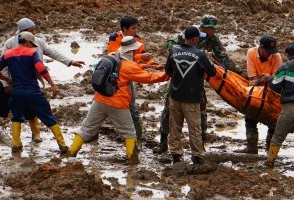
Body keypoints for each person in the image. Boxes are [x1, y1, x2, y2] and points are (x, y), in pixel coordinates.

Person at [68, 36, 169, 164]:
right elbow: (149, 78)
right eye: (134, 51)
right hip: (117, 104)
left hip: (99, 100)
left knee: (86, 128)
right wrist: (167, 75)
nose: (136, 53)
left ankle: (71, 154)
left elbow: (131, 65)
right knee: (129, 133)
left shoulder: (112, 56)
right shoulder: (129, 67)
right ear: (130, 51)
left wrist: (153, 66)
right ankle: (133, 162)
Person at [153, 15, 242, 154]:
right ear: (205, 27)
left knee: (201, 114)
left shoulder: (213, 40)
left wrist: (240, 73)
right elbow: (169, 44)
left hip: (196, 82)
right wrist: (187, 51)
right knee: (168, 111)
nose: (214, 32)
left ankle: (200, 146)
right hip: (180, 78)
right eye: (212, 29)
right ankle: (163, 143)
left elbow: (223, 58)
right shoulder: (189, 34)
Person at [0, 18, 84, 142]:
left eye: (34, 30)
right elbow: (3, 66)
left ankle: (35, 134)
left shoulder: (38, 42)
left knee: (31, 109)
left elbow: (53, 52)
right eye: (31, 30)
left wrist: (70, 62)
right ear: (22, 32)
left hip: (29, 81)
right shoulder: (10, 43)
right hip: (12, 81)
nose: (34, 32)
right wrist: (6, 83)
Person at [0, 32, 68, 153]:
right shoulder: (32, 53)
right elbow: (41, 68)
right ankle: (62, 145)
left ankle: (16, 145)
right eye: (32, 44)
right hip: (33, 91)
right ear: (28, 42)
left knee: (16, 117)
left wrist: (6, 79)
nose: (33, 47)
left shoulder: (7, 54)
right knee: (48, 117)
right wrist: (52, 84)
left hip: (16, 92)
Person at [165, 26, 216, 164]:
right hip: (191, 98)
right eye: (198, 37)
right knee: (194, 128)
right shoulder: (200, 54)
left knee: (175, 127)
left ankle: (176, 155)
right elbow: (212, 72)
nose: (199, 39)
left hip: (175, 96)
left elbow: (168, 70)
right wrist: (208, 58)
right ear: (194, 39)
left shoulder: (174, 50)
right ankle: (197, 156)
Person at [108, 15, 154, 149]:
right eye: (133, 28)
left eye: (136, 28)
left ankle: (137, 142)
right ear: (124, 29)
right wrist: (140, 57)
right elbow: (116, 56)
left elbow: (144, 57)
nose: (136, 30)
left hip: (128, 74)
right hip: (115, 76)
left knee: (132, 106)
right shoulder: (114, 38)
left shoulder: (137, 39)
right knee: (105, 104)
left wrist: (152, 64)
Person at [236, 35, 283, 154]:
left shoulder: (276, 57)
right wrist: (266, 79)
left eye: (271, 51)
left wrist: (266, 79)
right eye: (267, 51)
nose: (269, 54)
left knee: (273, 121)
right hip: (255, 91)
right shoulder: (251, 53)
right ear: (260, 48)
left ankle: (270, 150)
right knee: (250, 117)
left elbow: (276, 82)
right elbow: (252, 79)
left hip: (272, 93)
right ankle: (252, 147)